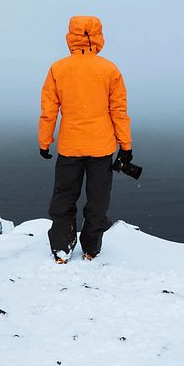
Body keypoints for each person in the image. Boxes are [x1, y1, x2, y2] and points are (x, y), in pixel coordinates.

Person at [39, 15, 133, 263]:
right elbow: (119, 111)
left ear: (71, 36)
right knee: (97, 199)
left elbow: (49, 110)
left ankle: (62, 248)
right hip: (101, 148)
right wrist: (125, 146)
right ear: (99, 36)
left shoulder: (58, 68)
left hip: (70, 147)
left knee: (64, 197)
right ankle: (91, 248)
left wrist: (44, 141)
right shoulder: (109, 69)